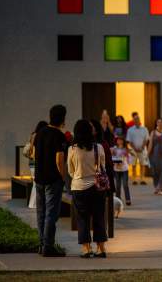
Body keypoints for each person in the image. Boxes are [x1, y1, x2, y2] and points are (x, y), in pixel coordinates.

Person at [68, 120, 108, 258]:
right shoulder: (99, 147)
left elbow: (70, 171)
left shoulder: (72, 149)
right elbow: (103, 167)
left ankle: (86, 248)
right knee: (99, 217)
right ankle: (101, 248)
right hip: (97, 187)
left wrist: (79, 176)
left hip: (79, 187)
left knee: (82, 218)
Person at [34, 104, 67, 257]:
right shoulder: (58, 135)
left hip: (39, 178)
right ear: (62, 118)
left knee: (41, 212)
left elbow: (35, 154)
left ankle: (42, 244)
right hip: (53, 179)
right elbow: (59, 159)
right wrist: (62, 177)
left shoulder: (40, 133)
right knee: (51, 214)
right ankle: (48, 246)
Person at [23, 121, 48, 208]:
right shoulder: (38, 136)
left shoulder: (33, 135)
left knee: (36, 183)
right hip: (36, 162)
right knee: (36, 183)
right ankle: (33, 204)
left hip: (32, 163)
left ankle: (34, 204)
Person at [126, 112, 150, 185]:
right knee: (133, 164)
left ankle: (142, 179)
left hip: (142, 149)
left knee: (142, 164)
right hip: (133, 149)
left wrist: (142, 147)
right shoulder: (130, 130)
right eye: (135, 119)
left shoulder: (144, 129)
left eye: (137, 119)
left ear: (139, 120)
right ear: (133, 121)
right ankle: (134, 179)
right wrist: (135, 148)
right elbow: (129, 140)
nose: (136, 120)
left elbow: (146, 139)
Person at [111, 135, 133, 205]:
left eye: (121, 140)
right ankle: (118, 200)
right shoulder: (114, 149)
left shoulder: (126, 149)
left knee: (125, 184)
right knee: (117, 185)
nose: (119, 141)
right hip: (116, 169)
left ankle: (128, 199)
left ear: (123, 141)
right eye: (118, 140)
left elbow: (130, 158)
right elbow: (112, 157)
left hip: (124, 169)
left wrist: (128, 156)